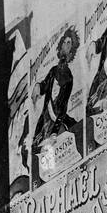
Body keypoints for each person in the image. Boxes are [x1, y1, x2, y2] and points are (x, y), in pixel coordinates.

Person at [32, 26, 80, 155]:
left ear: (72, 50)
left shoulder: (68, 77)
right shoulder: (53, 70)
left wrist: (55, 131)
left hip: (57, 120)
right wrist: (38, 86)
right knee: (36, 147)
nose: (65, 45)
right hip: (45, 117)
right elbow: (44, 86)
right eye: (64, 42)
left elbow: (62, 106)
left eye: (69, 43)